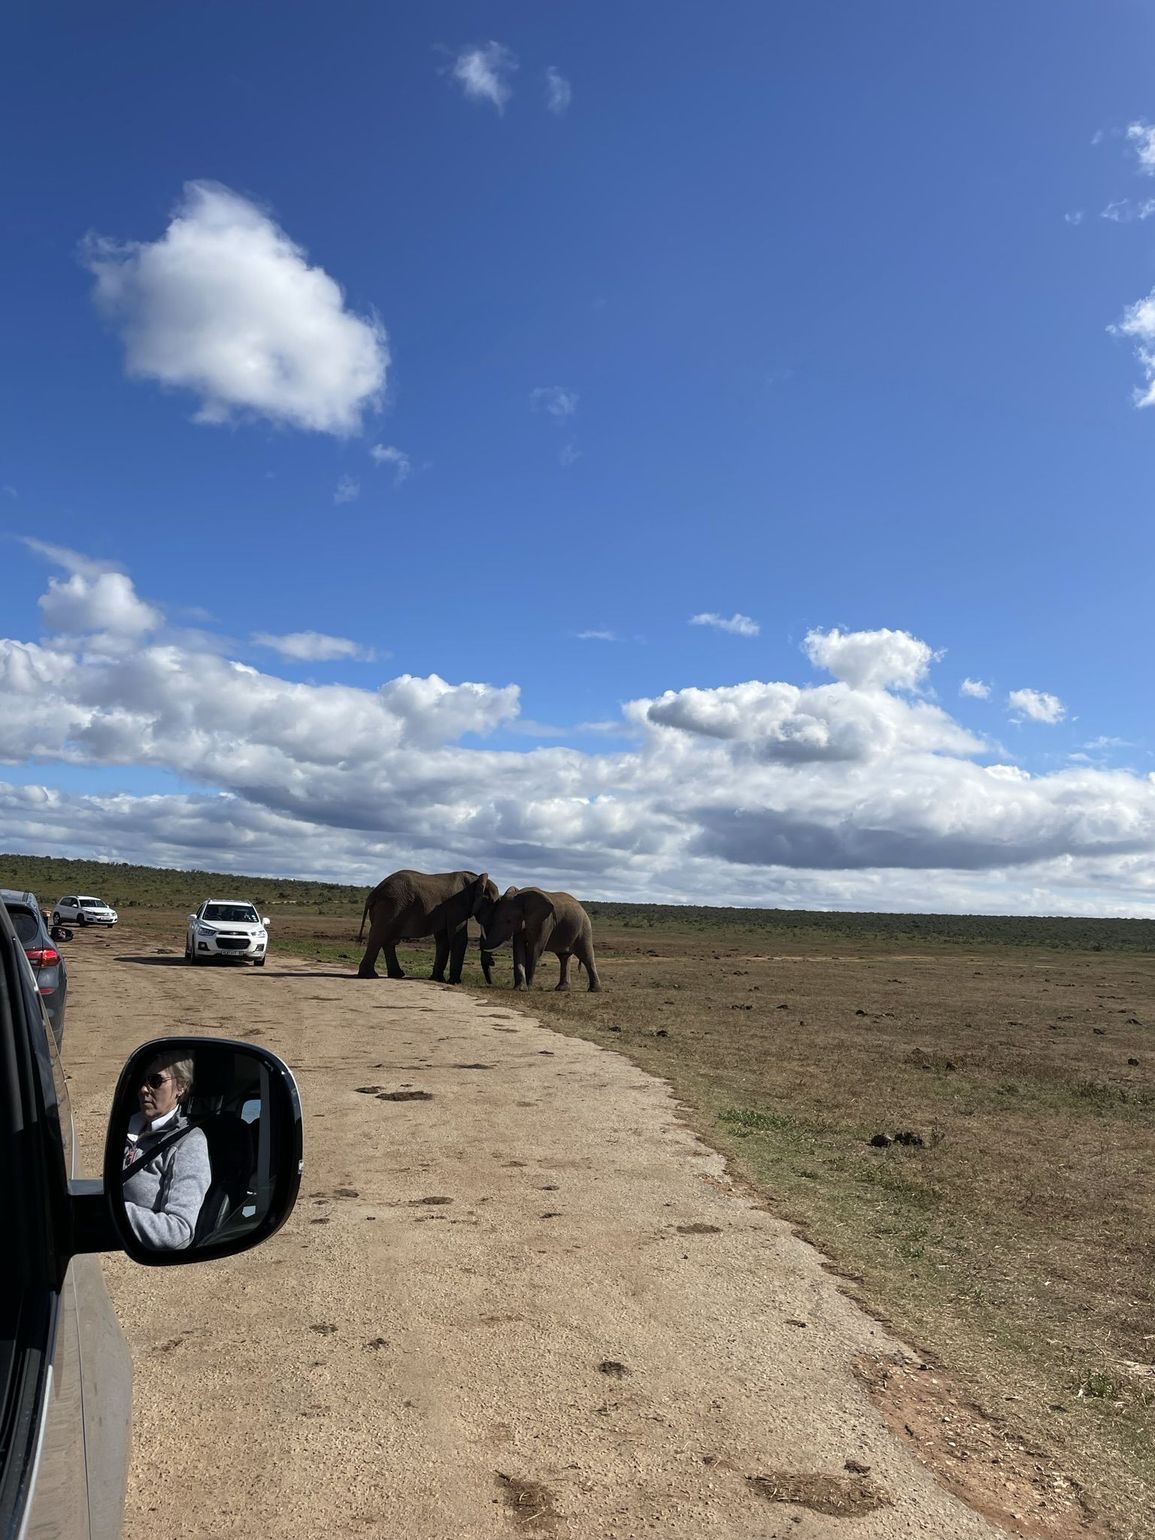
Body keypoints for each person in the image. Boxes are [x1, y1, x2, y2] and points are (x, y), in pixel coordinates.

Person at [122, 1051, 211, 1250]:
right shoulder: (126, 1127)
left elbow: (179, 1232)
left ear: (181, 1086)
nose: (144, 1089)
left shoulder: (189, 1143)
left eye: (155, 1081)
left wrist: (117, 1212)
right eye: (141, 1080)